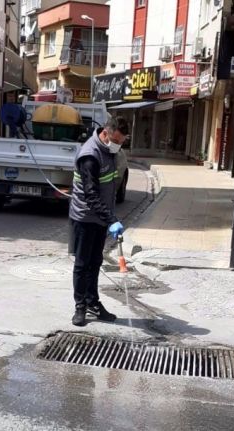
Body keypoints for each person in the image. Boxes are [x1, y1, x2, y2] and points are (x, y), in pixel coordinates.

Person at [69, 116, 129, 327]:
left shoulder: (109, 150)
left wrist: (108, 217)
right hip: (85, 216)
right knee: (83, 263)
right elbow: (91, 195)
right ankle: (80, 307)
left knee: (96, 262)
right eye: (117, 140)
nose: (119, 145)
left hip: (101, 218)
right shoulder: (90, 155)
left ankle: (93, 302)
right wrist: (111, 219)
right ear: (106, 133)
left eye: (122, 142)